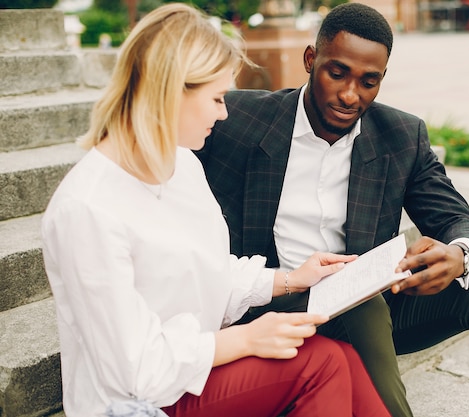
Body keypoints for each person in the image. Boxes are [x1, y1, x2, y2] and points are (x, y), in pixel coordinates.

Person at [195, 3, 469, 417]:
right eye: (337, 73)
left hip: (371, 312)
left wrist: (460, 255)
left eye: (369, 82)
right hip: (273, 306)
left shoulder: (401, 136)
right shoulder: (235, 119)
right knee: (360, 300)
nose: (351, 95)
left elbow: (456, 218)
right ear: (311, 60)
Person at [40, 4, 393, 417]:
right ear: (170, 91)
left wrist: (292, 279)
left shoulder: (181, 164)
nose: (224, 112)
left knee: (345, 358)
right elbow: (136, 371)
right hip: (141, 400)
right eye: (217, 98)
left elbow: (209, 272)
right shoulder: (86, 210)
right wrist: (246, 340)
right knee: (321, 363)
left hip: (196, 368)